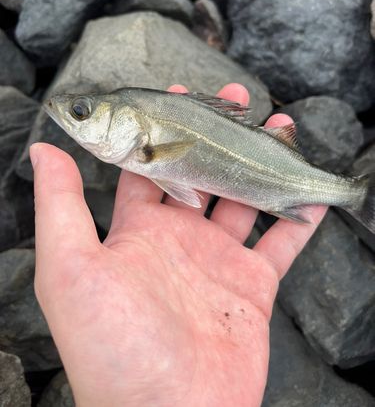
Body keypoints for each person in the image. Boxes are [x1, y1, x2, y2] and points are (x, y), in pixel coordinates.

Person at [30, 83, 327, 407]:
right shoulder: (143, 146)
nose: (73, 114)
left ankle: (351, 194)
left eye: (81, 112)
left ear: (132, 121)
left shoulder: (146, 147)